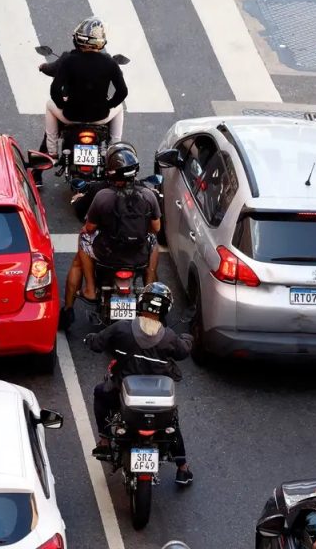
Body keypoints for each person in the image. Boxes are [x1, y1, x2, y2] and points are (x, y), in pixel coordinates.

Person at [84, 282, 194, 485]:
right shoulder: (169, 336)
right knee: (171, 424)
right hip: (159, 403)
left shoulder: (121, 328)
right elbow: (183, 352)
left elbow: (98, 343)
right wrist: (187, 338)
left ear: (141, 303)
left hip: (122, 396)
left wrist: (90, 339)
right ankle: (182, 468)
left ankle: (105, 440)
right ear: (166, 309)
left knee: (100, 392)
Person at [59, 145, 161, 330]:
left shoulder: (102, 196)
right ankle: (149, 287)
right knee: (154, 243)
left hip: (106, 255)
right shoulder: (148, 195)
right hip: (139, 257)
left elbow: (89, 228)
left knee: (83, 241)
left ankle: (87, 290)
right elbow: (156, 228)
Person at [43, 16, 127, 157]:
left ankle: (51, 151)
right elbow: (122, 92)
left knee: (49, 105)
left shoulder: (69, 60)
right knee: (119, 109)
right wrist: (108, 105)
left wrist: (62, 105)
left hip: (70, 116)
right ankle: (113, 150)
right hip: (100, 116)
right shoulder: (109, 62)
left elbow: (54, 90)